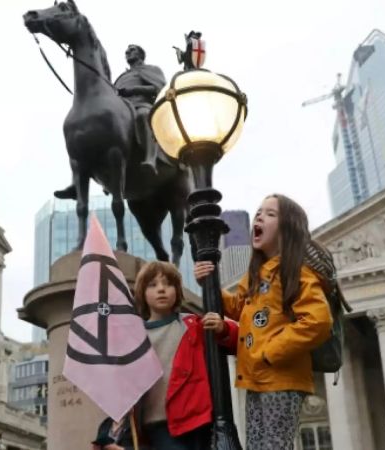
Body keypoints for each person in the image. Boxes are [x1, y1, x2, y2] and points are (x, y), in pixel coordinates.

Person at [194, 194, 333, 450]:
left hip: (281, 378)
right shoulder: (258, 273)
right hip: (255, 377)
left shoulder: (296, 272)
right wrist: (209, 283)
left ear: (288, 229)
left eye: (270, 214)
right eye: (259, 212)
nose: (259, 216)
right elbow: (240, 307)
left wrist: (270, 352)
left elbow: (318, 320)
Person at [129, 260, 238, 450]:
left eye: (168, 284)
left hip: (197, 421)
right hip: (158, 424)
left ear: (178, 291)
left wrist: (223, 329)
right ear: (142, 293)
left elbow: (236, 342)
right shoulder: (135, 337)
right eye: (153, 285)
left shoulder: (192, 326)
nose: (161, 289)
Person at [55, 44, 166, 200]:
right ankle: (79, 182)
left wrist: (133, 91)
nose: (127, 53)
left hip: (141, 105)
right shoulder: (120, 77)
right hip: (123, 111)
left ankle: (150, 159)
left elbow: (159, 88)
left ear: (141, 54)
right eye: (126, 51)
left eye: (132, 50)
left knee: (142, 116)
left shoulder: (152, 70)